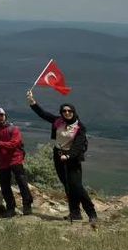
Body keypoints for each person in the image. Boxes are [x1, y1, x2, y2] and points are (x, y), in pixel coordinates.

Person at [27, 90, 97, 227]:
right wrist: (32, 102)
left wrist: (68, 155)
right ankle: (75, 213)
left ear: (74, 112)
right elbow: (43, 114)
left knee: (77, 186)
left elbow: (78, 145)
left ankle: (92, 213)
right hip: (58, 155)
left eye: (69, 111)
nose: (66, 113)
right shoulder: (58, 121)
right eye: (64, 111)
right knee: (67, 186)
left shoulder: (79, 127)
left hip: (73, 158)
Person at [0, 107, 32, 217]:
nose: (0, 117)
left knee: (22, 182)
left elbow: (14, 144)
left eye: (1, 115)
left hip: (15, 159)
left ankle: (27, 205)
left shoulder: (14, 129)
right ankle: (10, 208)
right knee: (5, 186)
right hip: (2, 162)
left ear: (5, 116)